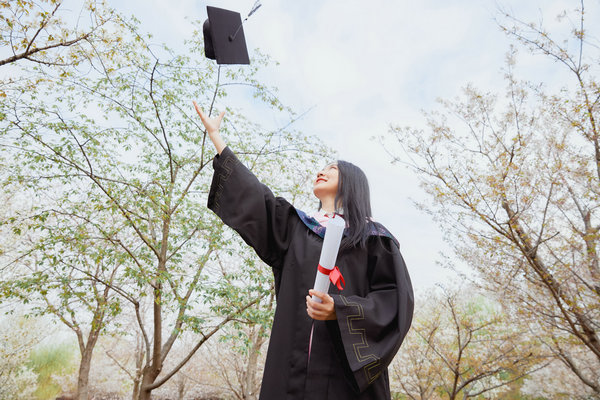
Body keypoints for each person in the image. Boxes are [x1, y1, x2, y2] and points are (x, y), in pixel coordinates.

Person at [193, 102, 414, 400]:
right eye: (322, 168)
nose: (322, 171)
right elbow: (257, 198)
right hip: (291, 372)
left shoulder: (375, 239)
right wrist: (218, 139)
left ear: (353, 184)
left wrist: (340, 309)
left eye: (333, 169)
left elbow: (394, 303)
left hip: (344, 382)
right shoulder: (297, 227)